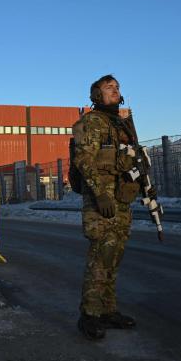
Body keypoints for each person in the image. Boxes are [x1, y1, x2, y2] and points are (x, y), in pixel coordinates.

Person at [72, 74, 140, 340]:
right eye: (108, 87)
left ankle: (108, 310)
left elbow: (131, 160)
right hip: (101, 202)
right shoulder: (92, 122)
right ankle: (89, 315)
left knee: (114, 258)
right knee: (100, 256)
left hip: (122, 200)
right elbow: (83, 159)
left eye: (117, 87)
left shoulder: (121, 124)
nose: (115, 90)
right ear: (97, 95)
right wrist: (100, 194)